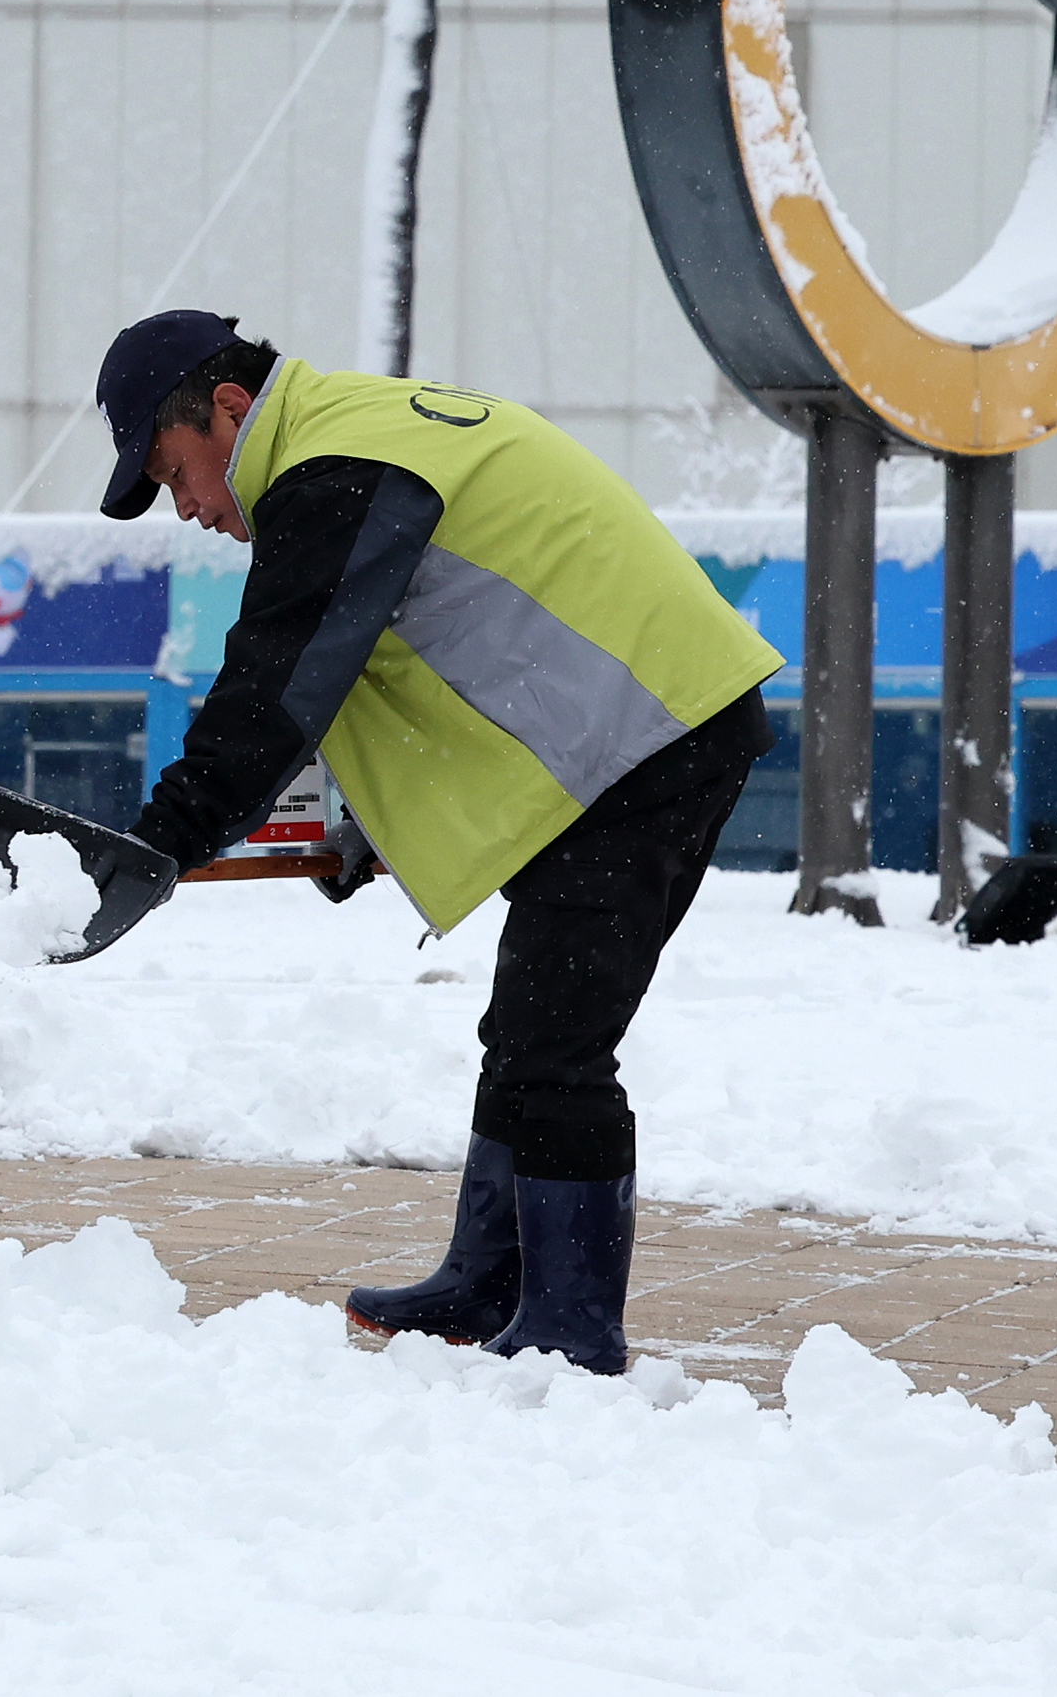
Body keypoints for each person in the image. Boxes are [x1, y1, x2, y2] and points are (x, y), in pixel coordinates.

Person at [92, 309, 782, 1376]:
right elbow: (413, 652)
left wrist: (158, 845)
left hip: (651, 738)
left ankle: (572, 1330)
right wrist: (358, 825)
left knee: (555, 1042)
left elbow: (276, 688)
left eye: (173, 472)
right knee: (528, 1025)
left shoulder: (335, 469)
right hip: (631, 733)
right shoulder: (356, 437)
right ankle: (489, 1280)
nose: (182, 509)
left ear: (230, 409)